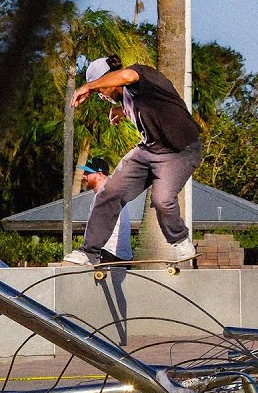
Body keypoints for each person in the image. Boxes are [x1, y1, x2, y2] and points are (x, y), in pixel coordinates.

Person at [63, 55, 200, 265]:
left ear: (110, 79)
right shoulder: (126, 98)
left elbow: (126, 76)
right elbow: (144, 106)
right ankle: (89, 252)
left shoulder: (141, 76)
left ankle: (180, 240)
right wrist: (119, 110)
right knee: (108, 193)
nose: (101, 96)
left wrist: (89, 87)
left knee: (162, 200)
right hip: (149, 150)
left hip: (179, 152)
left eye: (101, 90)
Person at [77, 156, 132, 262]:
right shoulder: (108, 192)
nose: (84, 176)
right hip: (116, 254)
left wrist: (90, 251)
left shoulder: (105, 194)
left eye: (88, 173)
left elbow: (99, 226)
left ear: (99, 175)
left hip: (107, 253)